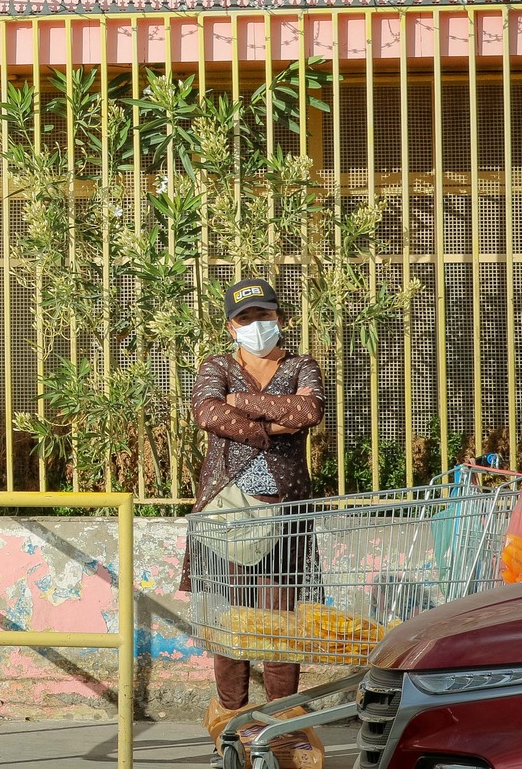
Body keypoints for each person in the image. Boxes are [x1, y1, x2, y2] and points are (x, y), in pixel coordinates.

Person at [189, 277, 326, 761]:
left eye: (264, 316)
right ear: (231, 325)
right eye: (245, 318)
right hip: (227, 508)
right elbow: (205, 411)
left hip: (283, 510)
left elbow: (309, 409)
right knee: (232, 620)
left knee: (277, 621)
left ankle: (284, 729)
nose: (256, 325)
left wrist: (239, 403)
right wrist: (271, 430)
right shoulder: (217, 365)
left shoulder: (301, 365)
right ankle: (231, 723)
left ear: (281, 319)